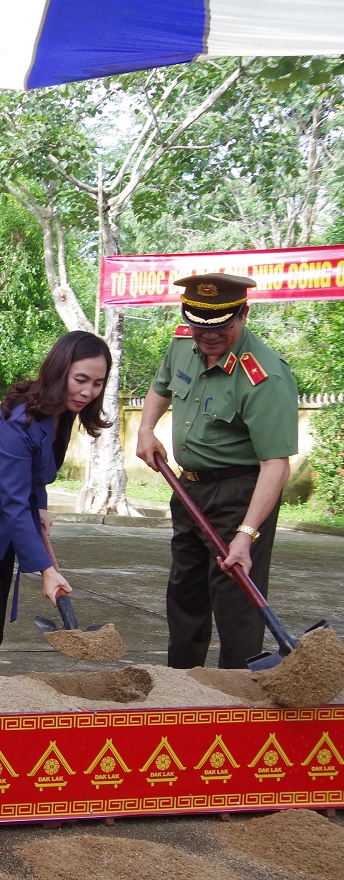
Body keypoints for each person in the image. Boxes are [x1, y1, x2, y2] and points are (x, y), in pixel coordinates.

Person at [136, 273, 299, 669]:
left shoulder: (265, 376)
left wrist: (246, 535)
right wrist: (145, 429)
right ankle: (181, 686)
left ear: (243, 314)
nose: (207, 337)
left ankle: (235, 698)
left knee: (235, 601)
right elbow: (161, 386)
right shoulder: (182, 344)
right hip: (188, 489)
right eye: (199, 326)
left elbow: (276, 466)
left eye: (221, 327)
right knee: (185, 592)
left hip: (240, 495)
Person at [0, 331, 113, 675]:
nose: (88, 391)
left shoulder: (61, 411)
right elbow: (15, 503)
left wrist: (42, 507)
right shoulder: (19, 422)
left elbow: (36, 472)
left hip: (2, 520)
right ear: (60, 371)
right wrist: (47, 571)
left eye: (98, 382)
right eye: (80, 380)